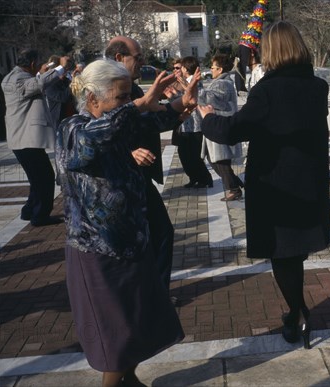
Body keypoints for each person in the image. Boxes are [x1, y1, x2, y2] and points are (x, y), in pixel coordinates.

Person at [55, 59, 198, 387]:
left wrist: (179, 105)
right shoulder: (72, 130)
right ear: (92, 99)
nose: (127, 103)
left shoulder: (116, 122)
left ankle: (130, 380)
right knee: (114, 333)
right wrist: (138, 105)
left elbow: (149, 122)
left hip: (132, 240)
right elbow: (93, 141)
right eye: (120, 97)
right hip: (98, 249)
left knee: (134, 323)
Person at [197, 20, 330, 349]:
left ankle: (296, 313)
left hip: (276, 184)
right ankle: (297, 310)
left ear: (270, 50)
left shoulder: (268, 90)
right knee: (294, 253)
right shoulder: (317, 86)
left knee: (281, 254)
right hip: (308, 179)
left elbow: (233, 130)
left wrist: (208, 116)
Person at [105, 36, 179, 295]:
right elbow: (94, 134)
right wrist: (126, 153)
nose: (143, 62)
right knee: (126, 247)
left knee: (161, 233)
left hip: (138, 178)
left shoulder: (132, 87)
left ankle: (157, 293)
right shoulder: (100, 87)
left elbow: (148, 123)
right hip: (112, 183)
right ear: (118, 58)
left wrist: (180, 106)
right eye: (138, 57)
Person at [1, 49, 69, 226]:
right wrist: (60, 68)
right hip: (25, 138)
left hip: (23, 138)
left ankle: (30, 210)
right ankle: (40, 216)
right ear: (31, 63)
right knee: (44, 177)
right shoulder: (18, 79)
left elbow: (36, 81)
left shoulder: (13, 76)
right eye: (38, 63)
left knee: (37, 177)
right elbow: (38, 84)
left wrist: (46, 72)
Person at [199, 54, 244, 201]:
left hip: (220, 126)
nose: (211, 70)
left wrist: (192, 88)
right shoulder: (221, 81)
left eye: (212, 67)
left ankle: (234, 188)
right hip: (218, 125)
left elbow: (211, 99)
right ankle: (236, 184)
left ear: (220, 69)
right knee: (216, 160)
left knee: (220, 161)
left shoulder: (223, 83)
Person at [172, 56, 213, 189]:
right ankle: (194, 178)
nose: (178, 70)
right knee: (184, 155)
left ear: (185, 68)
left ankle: (205, 179)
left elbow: (195, 96)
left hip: (195, 125)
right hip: (185, 125)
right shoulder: (184, 82)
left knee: (195, 156)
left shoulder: (196, 82)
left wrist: (184, 85)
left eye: (180, 67)